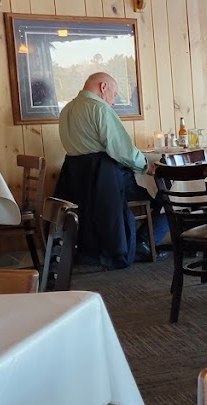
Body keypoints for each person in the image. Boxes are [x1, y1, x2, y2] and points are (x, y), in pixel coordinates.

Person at [56, 71, 166, 267]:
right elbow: (122, 150)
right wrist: (146, 166)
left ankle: (136, 243)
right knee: (164, 199)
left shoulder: (67, 110)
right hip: (106, 185)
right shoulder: (99, 109)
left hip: (79, 186)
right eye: (114, 94)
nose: (113, 102)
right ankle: (143, 243)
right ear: (103, 87)